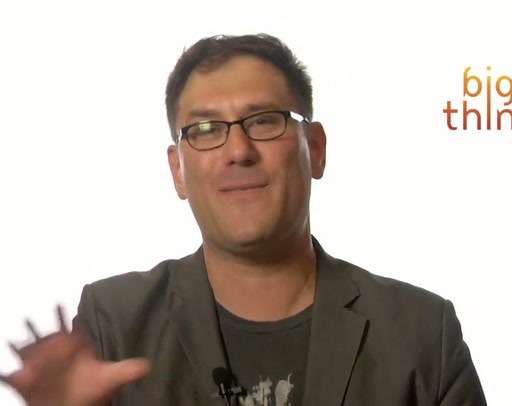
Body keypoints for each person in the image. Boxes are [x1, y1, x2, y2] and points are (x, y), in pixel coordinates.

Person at [0, 34, 486, 406]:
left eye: (263, 121)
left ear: (314, 148)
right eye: (206, 129)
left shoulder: (423, 333)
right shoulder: (114, 322)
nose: (238, 150)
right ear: (178, 170)